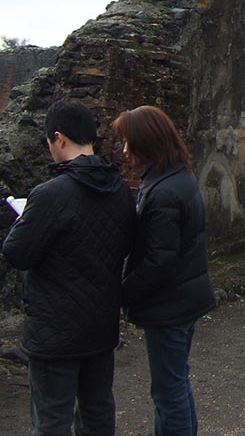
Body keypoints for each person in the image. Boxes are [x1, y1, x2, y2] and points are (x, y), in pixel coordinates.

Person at [2, 100, 136, 435]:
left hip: (55, 332)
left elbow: (18, 254)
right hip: (100, 325)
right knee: (97, 412)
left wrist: (16, 222)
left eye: (49, 142)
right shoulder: (119, 189)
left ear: (59, 138)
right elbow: (125, 245)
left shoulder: (50, 194)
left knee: (52, 420)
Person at [113, 105, 215, 436]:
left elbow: (159, 260)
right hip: (183, 299)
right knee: (175, 386)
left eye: (130, 142)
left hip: (169, 305)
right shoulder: (176, 178)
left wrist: (123, 294)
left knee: (169, 392)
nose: (125, 151)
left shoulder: (165, 191)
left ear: (149, 143)